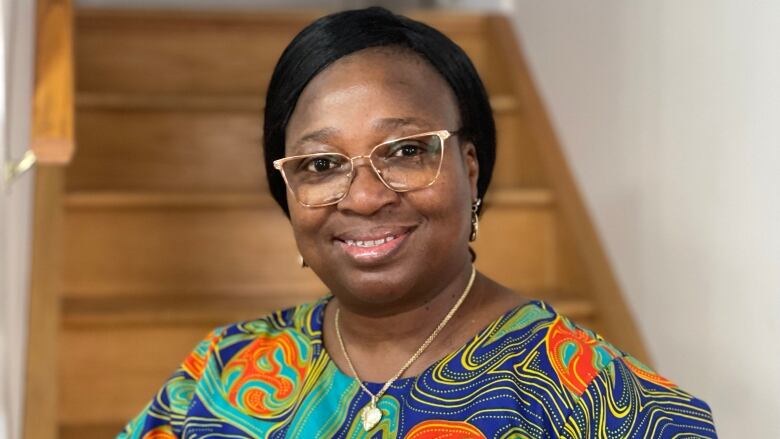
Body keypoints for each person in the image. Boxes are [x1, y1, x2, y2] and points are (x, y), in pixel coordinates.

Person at [118, 7, 716, 439]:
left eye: (406, 150)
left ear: (470, 166)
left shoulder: (607, 406)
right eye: (323, 164)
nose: (366, 197)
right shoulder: (221, 372)